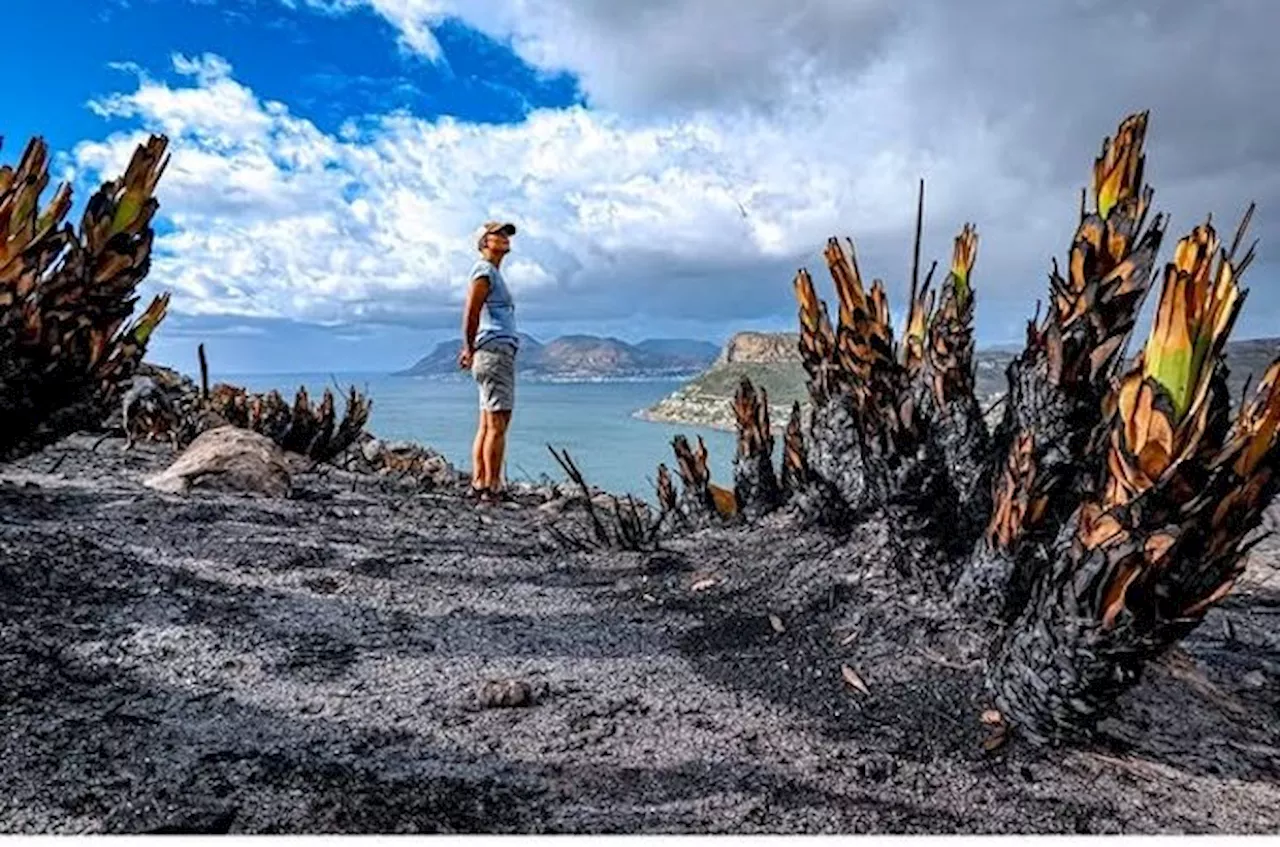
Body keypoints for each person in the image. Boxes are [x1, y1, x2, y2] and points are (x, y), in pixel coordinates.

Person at [458, 220, 520, 504]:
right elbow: (471, 311)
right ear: (484, 241)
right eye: (498, 234)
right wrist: (468, 348)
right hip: (493, 352)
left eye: (507, 234)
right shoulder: (484, 271)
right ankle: (493, 488)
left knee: (487, 422)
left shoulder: (491, 272)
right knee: (498, 422)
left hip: (490, 351)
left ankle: (480, 482)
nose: (505, 238)